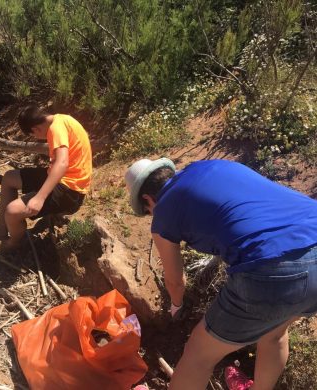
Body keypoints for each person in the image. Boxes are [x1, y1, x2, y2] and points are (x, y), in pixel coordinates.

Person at [124, 158, 317, 390]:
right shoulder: (214, 166)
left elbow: (175, 281)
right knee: (274, 334)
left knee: (198, 355)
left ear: (147, 199)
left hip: (270, 267)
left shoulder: (164, 210)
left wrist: (176, 306)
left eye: (147, 211)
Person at [0, 105, 92, 253]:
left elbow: (62, 163)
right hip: (61, 177)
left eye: (33, 135)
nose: (37, 138)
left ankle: (14, 243)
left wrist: (40, 197)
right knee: (9, 178)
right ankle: (0, 230)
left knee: (12, 211)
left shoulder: (55, 129)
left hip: (70, 190)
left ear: (35, 129)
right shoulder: (63, 118)